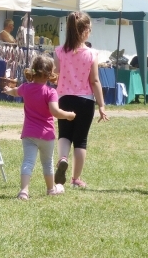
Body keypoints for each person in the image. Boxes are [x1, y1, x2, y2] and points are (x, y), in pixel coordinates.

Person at [3, 56, 76, 200]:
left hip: (29, 134)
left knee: (28, 161)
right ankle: (50, 189)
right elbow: (55, 112)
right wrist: (68, 115)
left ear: (34, 71)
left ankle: (24, 191)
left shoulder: (26, 88)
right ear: (49, 74)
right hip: (46, 135)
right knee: (47, 163)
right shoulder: (51, 92)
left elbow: (15, 91)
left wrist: (8, 90)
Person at [53, 11, 108, 189]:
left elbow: (56, 74)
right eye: (89, 28)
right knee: (81, 140)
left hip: (64, 99)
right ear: (84, 31)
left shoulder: (59, 51)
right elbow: (95, 80)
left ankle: (62, 158)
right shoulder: (92, 53)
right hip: (85, 101)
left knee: (64, 134)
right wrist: (102, 105)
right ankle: (76, 179)